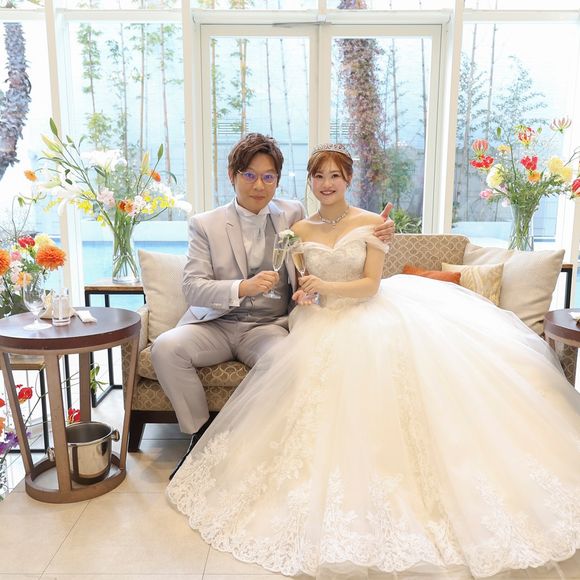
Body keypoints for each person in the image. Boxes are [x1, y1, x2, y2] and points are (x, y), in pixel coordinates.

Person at [166, 142, 580, 580]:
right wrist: (300, 294)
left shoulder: (363, 223)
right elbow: (291, 281)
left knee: (357, 364)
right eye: (318, 176)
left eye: (335, 176)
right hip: (276, 319)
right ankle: (203, 439)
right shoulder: (291, 224)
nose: (326, 184)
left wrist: (328, 282)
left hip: (347, 315)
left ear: (348, 179)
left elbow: (370, 286)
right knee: (193, 351)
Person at [151, 134, 394, 472]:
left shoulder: (292, 213)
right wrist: (242, 287)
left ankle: (253, 441)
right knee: (166, 348)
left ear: (278, 180)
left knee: (287, 362)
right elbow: (192, 287)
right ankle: (200, 435)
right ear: (232, 175)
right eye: (249, 175)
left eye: (268, 177)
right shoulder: (205, 224)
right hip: (216, 323)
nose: (259, 185)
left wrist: (382, 229)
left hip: (268, 326)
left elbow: (332, 232)